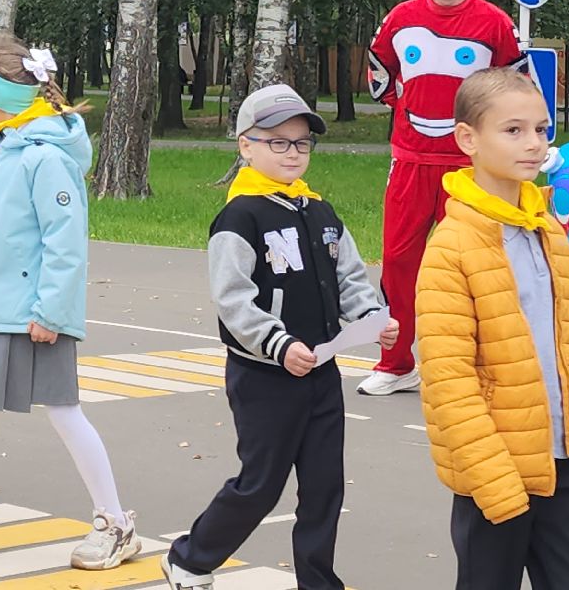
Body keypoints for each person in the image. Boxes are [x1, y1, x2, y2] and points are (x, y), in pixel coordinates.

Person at [417, 68, 569, 590]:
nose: (534, 144)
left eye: (541, 129)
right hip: (495, 471)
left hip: (560, 461)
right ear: (468, 138)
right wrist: (491, 477)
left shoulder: (545, 230)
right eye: (513, 130)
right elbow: (448, 380)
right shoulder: (452, 248)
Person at [162, 84, 396, 590]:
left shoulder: (319, 211)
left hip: (321, 371)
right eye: (278, 142)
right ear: (246, 146)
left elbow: (349, 277)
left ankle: (317, 581)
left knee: (324, 488)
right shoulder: (240, 216)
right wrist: (279, 344)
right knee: (260, 485)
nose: (293, 153)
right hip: (264, 376)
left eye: (302, 143)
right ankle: (190, 558)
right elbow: (233, 299)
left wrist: (372, 318)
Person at [0, 33, 137, 571]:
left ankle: (115, 522)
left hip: (36, 317)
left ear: (4, 98)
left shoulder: (45, 159)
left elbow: (65, 242)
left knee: (65, 414)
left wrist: (50, 312)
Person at [362, 0, 523, 395]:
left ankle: (479, 364)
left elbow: (514, 86)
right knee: (398, 260)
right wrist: (401, 103)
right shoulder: (402, 17)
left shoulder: (494, 23)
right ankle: (396, 363)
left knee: (474, 266)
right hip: (410, 160)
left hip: (467, 167)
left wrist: (496, 137)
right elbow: (378, 67)